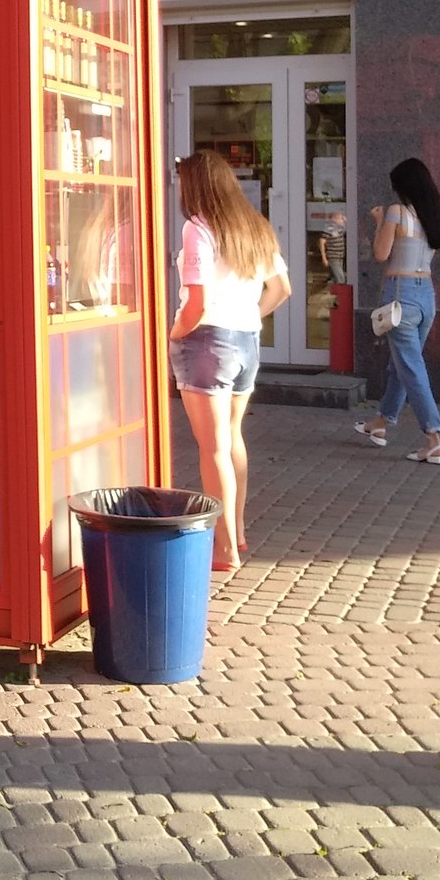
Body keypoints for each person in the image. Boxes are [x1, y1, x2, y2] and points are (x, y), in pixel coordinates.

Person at [170, 151, 290, 574]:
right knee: (232, 440)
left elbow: (197, 301)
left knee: (213, 448)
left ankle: (224, 550)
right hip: (246, 341)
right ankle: (236, 532)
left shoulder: (198, 228)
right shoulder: (254, 226)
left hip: (205, 341)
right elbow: (282, 289)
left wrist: (172, 334)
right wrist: (250, 315)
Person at [356, 157, 440, 463]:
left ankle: (433, 437)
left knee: (411, 368)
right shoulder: (431, 217)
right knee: (401, 365)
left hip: (401, 296)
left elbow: (381, 253)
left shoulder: (397, 213)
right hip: (426, 297)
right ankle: (381, 423)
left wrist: (380, 220)